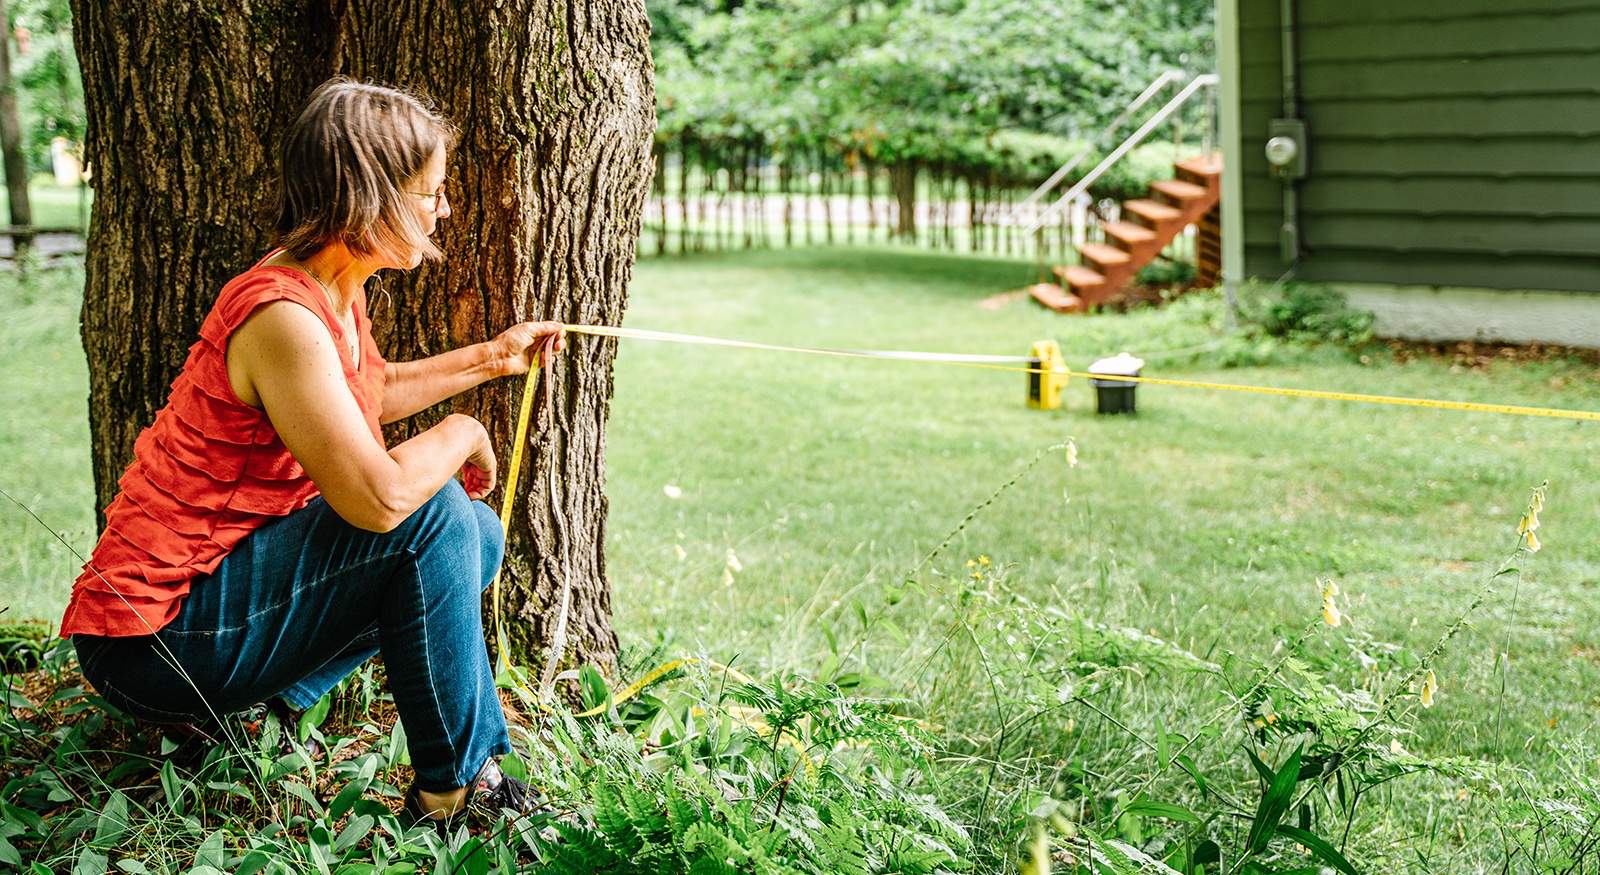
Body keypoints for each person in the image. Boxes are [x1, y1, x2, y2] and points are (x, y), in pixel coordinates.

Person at [59, 78, 565, 833]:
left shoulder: (330, 287)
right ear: (370, 198)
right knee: (435, 515)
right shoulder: (282, 316)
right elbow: (381, 499)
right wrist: (462, 429)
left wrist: (496, 358)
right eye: (431, 192)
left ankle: (276, 704)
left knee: (477, 537)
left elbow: (369, 389)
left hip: (208, 612)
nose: (444, 210)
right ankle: (453, 791)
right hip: (153, 642)